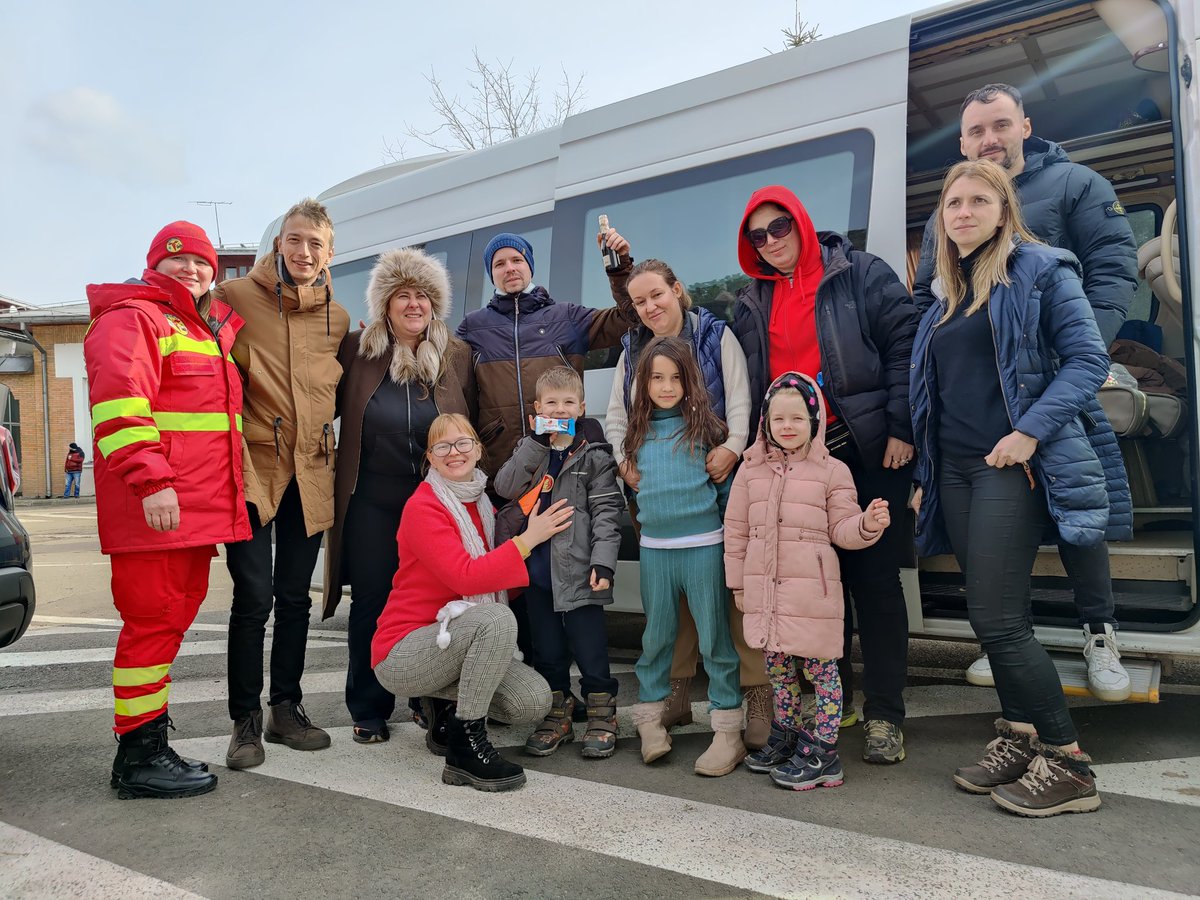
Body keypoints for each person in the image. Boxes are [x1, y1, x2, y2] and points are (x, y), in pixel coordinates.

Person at [910, 158, 1130, 817]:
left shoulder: (1041, 269)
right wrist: (925, 476)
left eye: (980, 200)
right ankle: (1021, 736)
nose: (965, 212)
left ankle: (1068, 763)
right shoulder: (946, 294)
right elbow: (937, 399)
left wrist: (1029, 432)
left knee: (999, 620)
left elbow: (1091, 360)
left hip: (1012, 464)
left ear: (1005, 211)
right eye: (954, 203)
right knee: (992, 613)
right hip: (955, 469)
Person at [732, 186, 918, 765]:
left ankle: (886, 714)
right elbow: (750, 381)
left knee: (875, 584)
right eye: (757, 236)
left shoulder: (858, 274)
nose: (770, 243)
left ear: (803, 222)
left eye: (779, 227)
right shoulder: (751, 301)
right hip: (795, 462)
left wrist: (901, 425)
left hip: (864, 451)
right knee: (815, 589)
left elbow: (904, 346)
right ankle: (838, 705)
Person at [85, 221, 251, 798]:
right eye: (177, 261)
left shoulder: (200, 329)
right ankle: (136, 756)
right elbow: (119, 409)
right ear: (156, 264)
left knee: (165, 627)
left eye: (202, 263)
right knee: (152, 625)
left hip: (190, 514)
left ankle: (146, 741)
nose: (192, 270)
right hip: (157, 509)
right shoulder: (134, 319)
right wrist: (151, 481)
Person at [601, 246, 771, 748]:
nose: (650, 307)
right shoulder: (633, 351)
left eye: (657, 294)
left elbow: (741, 398)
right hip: (658, 482)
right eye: (639, 301)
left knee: (729, 595)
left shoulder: (716, 337)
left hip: (716, 474)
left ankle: (754, 691)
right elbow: (617, 414)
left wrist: (734, 450)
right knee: (670, 606)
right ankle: (674, 692)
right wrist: (622, 459)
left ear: (677, 290)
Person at [215, 199, 350, 769]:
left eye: (315, 244)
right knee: (254, 598)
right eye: (295, 240)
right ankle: (244, 720)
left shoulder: (336, 318)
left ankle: (285, 709)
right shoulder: (233, 298)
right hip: (252, 469)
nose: (303, 252)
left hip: (312, 471)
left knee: (296, 598)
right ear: (278, 244)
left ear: (329, 253)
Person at [371, 413, 573, 792]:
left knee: (533, 701)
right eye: (442, 446)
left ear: (478, 451)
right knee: (494, 619)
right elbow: (467, 576)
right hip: (403, 650)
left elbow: (502, 582)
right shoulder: (423, 507)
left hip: (451, 642)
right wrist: (528, 541)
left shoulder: (482, 505)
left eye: (463, 443)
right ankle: (465, 749)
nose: (454, 452)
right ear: (430, 458)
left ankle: (444, 712)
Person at [322, 248, 475, 745]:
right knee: (373, 601)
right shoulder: (357, 351)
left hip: (434, 502)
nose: (414, 305)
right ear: (385, 304)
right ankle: (368, 706)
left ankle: (434, 707)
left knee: (440, 600)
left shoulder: (456, 355)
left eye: (423, 296)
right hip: (372, 500)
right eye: (403, 295)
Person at [725, 373, 890, 790]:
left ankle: (824, 750)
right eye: (778, 417)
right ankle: (787, 734)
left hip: (811, 595)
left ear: (814, 421)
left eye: (797, 417)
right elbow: (736, 531)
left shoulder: (832, 471)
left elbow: (842, 528)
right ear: (765, 421)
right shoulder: (750, 470)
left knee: (822, 672)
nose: (787, 426)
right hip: (767, 591)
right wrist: (739, 586)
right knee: (779, 670)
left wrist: (867, 524)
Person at [623, 336, 744, 776]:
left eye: (675, 378)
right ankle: (650, 721)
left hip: (703, 548)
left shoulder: (708, 431)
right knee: (656, 638)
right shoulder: (635, 436)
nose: (666, 386)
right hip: (656, 552)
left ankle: (728, 731)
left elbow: (729, 494)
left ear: (689, 381)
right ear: (645, 383)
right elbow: (634, 496)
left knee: (714, 640)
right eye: (657, 377)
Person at [494, 366, 624, 759]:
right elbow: (504, 486)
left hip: (582, 573)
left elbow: (607, 513)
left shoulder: (593, 456)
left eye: (568, 403)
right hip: (537, 574)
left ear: (582, 408)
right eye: (551, 403)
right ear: (537, 410)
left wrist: (604, 564)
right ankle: (557, 712)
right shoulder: (530, 451)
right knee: (547, 649)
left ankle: (602, 712)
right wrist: (536, 442)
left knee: (591, 649)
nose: (560, 409)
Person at [455, 231, 637, 481]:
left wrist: (619, 270)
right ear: (491, 273)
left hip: (564, 460)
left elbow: (630, 320)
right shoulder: (472, 327)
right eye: (499, 263)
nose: (509, 268)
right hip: (502, 468)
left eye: (517, 260)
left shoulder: (567, 317)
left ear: (529, 265)